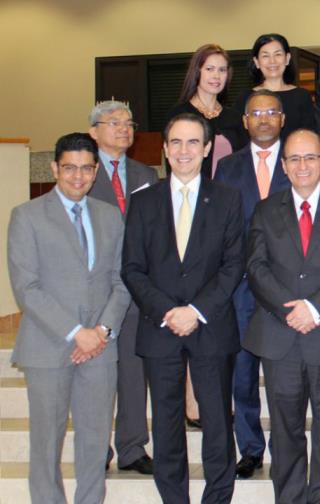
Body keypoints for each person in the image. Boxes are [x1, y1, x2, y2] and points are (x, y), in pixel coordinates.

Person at [122, 113, 244, 503]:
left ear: (207, 148)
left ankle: (217, 497)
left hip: (211, 326)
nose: (184, 150)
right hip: (159, 328)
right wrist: (168, 312)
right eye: (176, 142)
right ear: (165, 149)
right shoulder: (143, 202)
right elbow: (133, 268)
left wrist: (196, 311)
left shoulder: (227, 199)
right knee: (167, 424)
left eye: (193, 142)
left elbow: (233, 265)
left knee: (217, 423)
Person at [244, 129, 320, 504]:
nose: (302, 166)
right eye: (294, 159)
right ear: (283, 165)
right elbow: (256, 266)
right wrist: (291, 309)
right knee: (285, 431)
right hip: (280, 337)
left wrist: (313, 307)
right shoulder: (266, 210)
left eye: (310, 158)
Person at [8, 132, 131, 504]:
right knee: (46, 441)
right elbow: (26, 287)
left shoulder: (110, 217)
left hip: (100, 348)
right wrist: (77, 333)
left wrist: (102, 331)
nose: (78, 176)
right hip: (48, 347)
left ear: (96, 172)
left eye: (86, 168)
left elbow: (121, 280)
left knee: (95, 440)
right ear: (55, 168)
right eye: (69, 168)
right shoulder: (26, 216)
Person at [214, 89, 292, 479]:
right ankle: (249, 447)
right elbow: (222, 228)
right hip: (241, 287)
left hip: (285, 288)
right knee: (241, 373)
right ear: (244, 121)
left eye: (271, 112)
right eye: (255, 113)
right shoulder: (227, 167)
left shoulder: (298, 161)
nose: (263, 119)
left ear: (282, 119)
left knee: (281, 376)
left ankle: (284, 447)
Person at [86, 100, 158, 474]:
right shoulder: (83, 172)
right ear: (94, 131)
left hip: (137, 291)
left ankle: (132, 448)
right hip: (96, 291)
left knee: (133, 372)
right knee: (97, 377)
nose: (124, 129)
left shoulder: (146, 173)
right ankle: (96, 450)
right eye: (114, 123)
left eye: (129, 123)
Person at [168, 43, 247, 180]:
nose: (216, 76)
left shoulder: (235, 118)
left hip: (229, 196)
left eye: (222, 70)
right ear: (197, 71)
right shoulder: (178, 115)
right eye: (210, 69)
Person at [234, 33, 316, 140]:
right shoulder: (245, 98)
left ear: (287, 58)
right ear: (257, 62)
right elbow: (239, 139)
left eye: (277, 54)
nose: (272, 61)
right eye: (265, 56)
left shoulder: (302, 96)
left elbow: (309, 136)